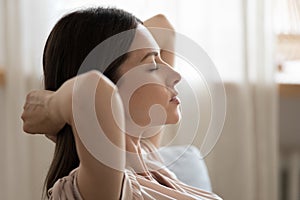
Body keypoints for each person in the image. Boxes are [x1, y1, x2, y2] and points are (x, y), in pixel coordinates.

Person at [21, 7, 222, 200]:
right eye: (152, 66)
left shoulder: (145, 155)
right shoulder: (102, 186)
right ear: (112, 88)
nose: (176, 75)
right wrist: (51, 107)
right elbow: (91, 88)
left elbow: (163, 27)